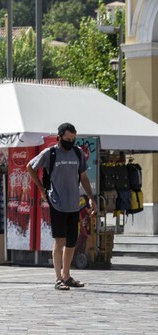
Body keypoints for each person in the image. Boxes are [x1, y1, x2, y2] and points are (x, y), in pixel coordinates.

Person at [27, 122, 97, 291]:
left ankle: (67, 276)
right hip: (57, 203)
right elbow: (30, 167)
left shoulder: (77, 153)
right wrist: (42, 189)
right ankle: (58, 278)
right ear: (59, 138)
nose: (70, 142)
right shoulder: (50, 153)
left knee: (72, 241)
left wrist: (91, 197)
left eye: (73, 139)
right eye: (67, 139)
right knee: (60, 240)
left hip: (74, 203)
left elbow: (84, 177)